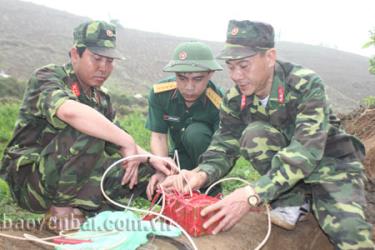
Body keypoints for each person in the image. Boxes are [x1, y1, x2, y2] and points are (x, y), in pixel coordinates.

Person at [161, 20, 375, 249]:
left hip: (330, 163)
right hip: (289, 174)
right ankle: (291, 199)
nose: (236, 75)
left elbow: (306, 151)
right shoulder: (235, 100)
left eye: (244, 65)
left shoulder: (305, 84)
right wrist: (200, 174)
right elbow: (224, 146)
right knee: (255, 135)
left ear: (270, 57)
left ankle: (321, 198)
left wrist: (253, 194)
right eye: (231, 66)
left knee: (350, 234)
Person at [0, 20, 175, 232]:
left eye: (109, 61)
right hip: (30, 179)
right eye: (97, 58)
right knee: (90, 128)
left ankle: (81, 211)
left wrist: (151, 159)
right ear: (75, 54)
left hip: (66, 178)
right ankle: (60, 213)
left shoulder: (100, 98)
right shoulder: (49, 77)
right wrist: (126, 141)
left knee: (140, 168)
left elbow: (120, 141)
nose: (104, 67)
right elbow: (70, 112)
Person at [145, 41, 224, 197]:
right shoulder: (160, 93)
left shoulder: (219, 103)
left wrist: (199, 175)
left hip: (208, 161)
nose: (189, 87)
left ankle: (212, 192)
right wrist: (163, 170)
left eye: (197, 79)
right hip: (176, 158)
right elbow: (159, 136)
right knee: (161, 192)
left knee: (195, 133)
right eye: (182, 78)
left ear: (210, 74)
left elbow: (222, 150)